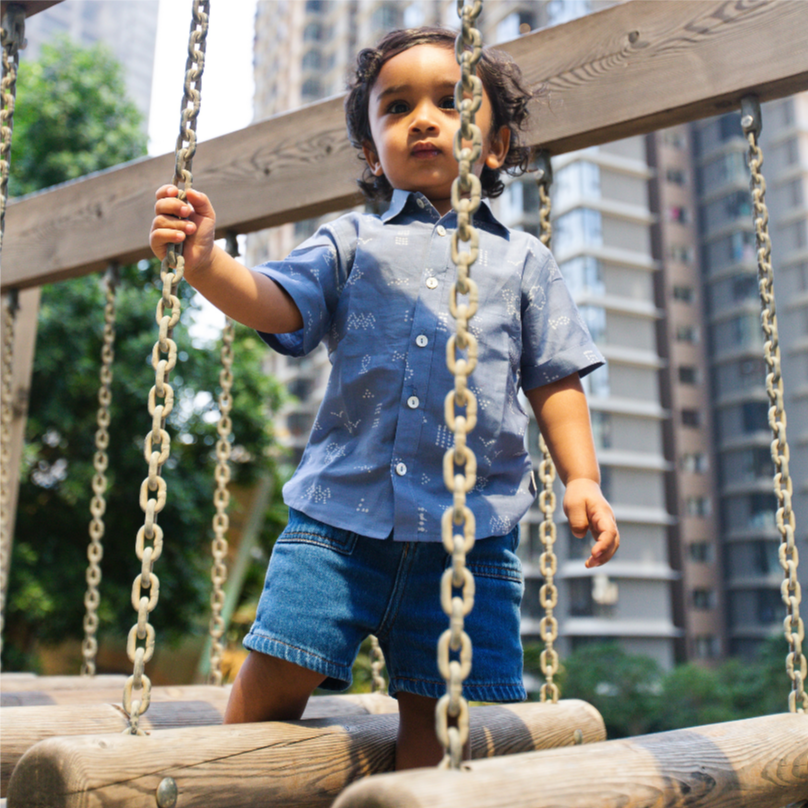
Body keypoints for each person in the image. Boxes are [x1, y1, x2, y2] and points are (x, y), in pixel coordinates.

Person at [149, 26, 619, 770]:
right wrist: (207, 264)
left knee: (438, 735)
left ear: (495, 147)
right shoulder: (353, 240)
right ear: (373, 151)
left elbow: (553, 376)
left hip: (466, 538)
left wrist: (582, 478)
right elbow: (277, 302)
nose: (424, 119)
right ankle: (223, 780)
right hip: (338, 523)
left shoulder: (525, 261)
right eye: (397, 108)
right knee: (272, 679)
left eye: (451, 103)